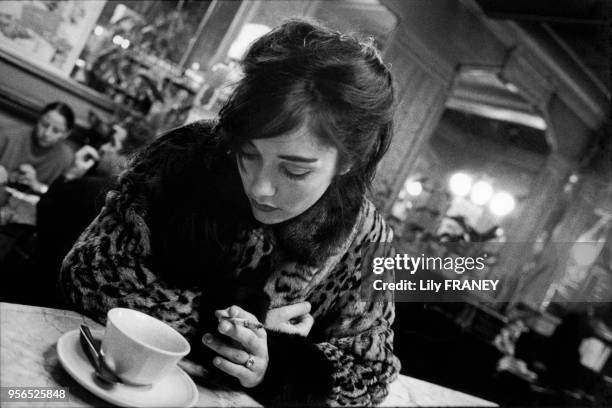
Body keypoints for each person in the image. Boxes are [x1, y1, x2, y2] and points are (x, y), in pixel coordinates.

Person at [60, 20, 400, 406]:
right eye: (248, 154)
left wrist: (275, 363)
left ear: (348, 162)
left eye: (295, 170)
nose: (259, 187)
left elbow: (371, 374)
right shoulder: (187, 154)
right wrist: (239, 326)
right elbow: (89, 272)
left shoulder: (364, 233)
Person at [0, 102, 75, 195]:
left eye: (56, 131)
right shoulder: (10, 136)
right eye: (44, 125)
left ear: (66, 134)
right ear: (38, 119)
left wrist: (37, 185)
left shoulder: (65, 157)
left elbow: (58, 197)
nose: (47, 133)